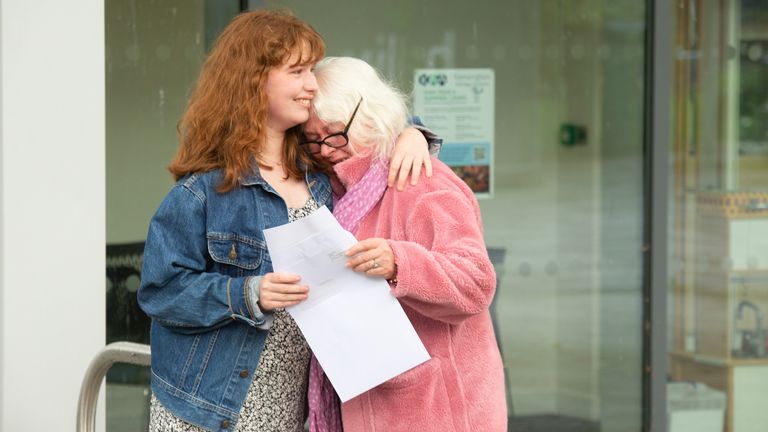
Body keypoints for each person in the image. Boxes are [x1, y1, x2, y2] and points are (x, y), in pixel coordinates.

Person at [137, 11, 431, 432]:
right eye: (297, 71)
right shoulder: (204, 190)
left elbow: (375, 123)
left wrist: (412, 133)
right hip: (210, 410)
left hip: (290, 409)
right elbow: (160, 292)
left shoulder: (323, 173)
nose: (312, 84)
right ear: (254, 80)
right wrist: (246, 293)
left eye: (311, 70)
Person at [302, 56, 507, 432]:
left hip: (437, 411)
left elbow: (477, 282)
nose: (326, 151)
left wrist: (400, 263)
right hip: (374, 404)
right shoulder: (332, 191)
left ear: (368, 116)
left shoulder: (422, 180)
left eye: (333, 134)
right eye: (312, 141)